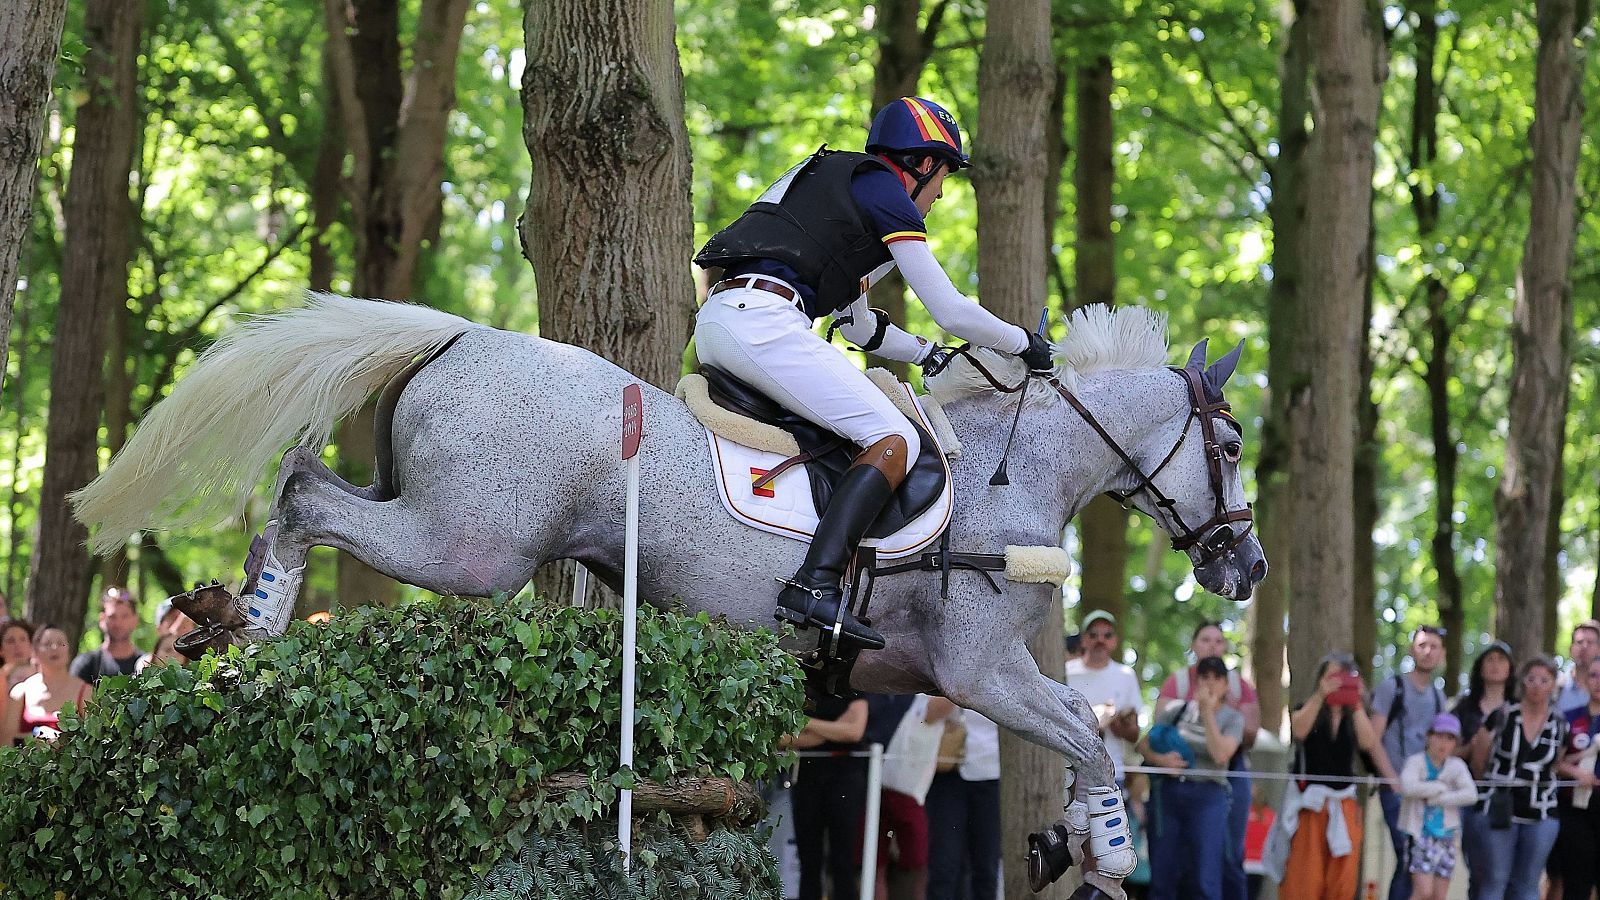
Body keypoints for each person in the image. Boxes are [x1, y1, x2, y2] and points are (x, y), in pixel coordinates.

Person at [692, 97, 1052, 653]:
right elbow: (953, 310)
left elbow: (858, 327)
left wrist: (928, 354)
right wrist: (1024, 343)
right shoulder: (886, 192)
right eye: (942, 181)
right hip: (763, 323)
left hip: (730, 317)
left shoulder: (846, 198)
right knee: (895, 438)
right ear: (921, 163)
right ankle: (814, 584)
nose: (937, 198)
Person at [1266, 653, 1395, 900]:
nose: (1336, 682)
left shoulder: (1353, 716)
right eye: (1331, 676)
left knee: (1342, 880)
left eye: (1342, 677)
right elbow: (1299, 730)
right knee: (1305, 879)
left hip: (1343, 804)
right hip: (1309, 805)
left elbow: (1369, 743)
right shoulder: (1308, 706)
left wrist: (1355, 702)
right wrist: (1321, 695)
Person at [1156, 621, 1261, 900]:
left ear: (1225, 646)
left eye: (1217, 640)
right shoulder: (1176, 682)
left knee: (1229, 856)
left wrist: (1218, 715)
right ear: (1193, 645)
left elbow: (1251, 734)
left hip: (1228, 774)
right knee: (1177, 861)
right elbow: (1157, 729)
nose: (1212, 645)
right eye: (1205, 639)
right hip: (1179, 777)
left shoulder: (1241, 687)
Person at [1139, 655, 1243, 900]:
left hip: (1209, 797)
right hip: (1170, 794)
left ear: (1226, 684)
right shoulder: (1176, 710)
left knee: (1204, 876)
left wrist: (1207, 713)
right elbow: (1143, 743)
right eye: (1205, 676)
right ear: (1196, 682)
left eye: (1217, 678)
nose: (1210, 683)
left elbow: (1221, 754)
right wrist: (1161, 760)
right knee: (1164, 871)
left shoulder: (1233, 719)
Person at [1468, 656, 1568, 900]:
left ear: (1553, 684)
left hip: (1541, 811)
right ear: (1522, 681)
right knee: (1495, 880)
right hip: (1501, 807)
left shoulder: (1559, 723)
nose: (1536, 685)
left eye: (1544, 680)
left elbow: (1556, 762)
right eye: (1531, 678)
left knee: (1527, 883)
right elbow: (1478, 761)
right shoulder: (1502, 715)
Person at [1370, 625, 1447, 900]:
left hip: (1425, 793)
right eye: (1422, 645)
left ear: (1442, 654)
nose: (1428, 652)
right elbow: (1372, 738)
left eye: (1434, 646)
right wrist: (1392, 781)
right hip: (1396, 789)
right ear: (1412, 650)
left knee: (1418, 864)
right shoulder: (1393, 687)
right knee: (1408, 857)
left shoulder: (1438, 696)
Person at [1449, 640, 1516, 899]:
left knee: (1499, 873)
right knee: (1477, 869)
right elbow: (1444, 752)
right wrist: (1472, 748)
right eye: (1490, 659)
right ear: (1479, 668)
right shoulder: (1463, 708)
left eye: (1501, 659)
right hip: (1469, 797)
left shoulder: (1520, 708)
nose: (1495, 665)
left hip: (1505, 799)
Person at [789, 693, 869, 900]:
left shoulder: (849, 685)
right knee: (809, 859)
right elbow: (784, 738)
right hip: (808, 776)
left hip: (845, 777)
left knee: (843, 858)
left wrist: (807, 723)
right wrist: (834, 728)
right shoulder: (801, 685)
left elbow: (853, 732)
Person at [1397, 713, 1478, 900]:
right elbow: (1407, 786)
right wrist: (1437, 788)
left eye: (1450, 738)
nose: (1443, 743)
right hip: (1420, 834)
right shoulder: (1415, 762)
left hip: (1447, 836)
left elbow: (1471, 794)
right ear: (1429, 737)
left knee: (1438, 895)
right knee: (1423, 891)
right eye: (1439, 736)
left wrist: (1440, 798)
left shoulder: (1456, 766)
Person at [926, 709, 1001, 900]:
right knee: (944, 865)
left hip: (990, 773)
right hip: (948, 771)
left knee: (986, 867)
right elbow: (926, 712)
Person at [1065, 609, 1143, 788]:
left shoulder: (1125, 675)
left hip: (1112, 771)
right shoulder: (1066, 672)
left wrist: (1118, 723)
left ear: (1114, 640)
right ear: (1084, 639)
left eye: (1107, 635)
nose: (1100, 640)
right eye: (1093, 635)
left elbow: (1134, 734)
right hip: (1071, 771)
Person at [1553, 658, 1600, 900]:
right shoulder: (1569, 717)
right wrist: (1576, 772)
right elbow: (1554, 761)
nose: (1598, 681)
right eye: (1593, 675)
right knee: (1576, 882)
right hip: (1575, 808)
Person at [2, 625, 93, 744]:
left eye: (61, 643)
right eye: (47, 644)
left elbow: (93, 739)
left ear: (69, 651)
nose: (55, 648)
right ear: (34, 652)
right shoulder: (20, 691)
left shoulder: (85, 691)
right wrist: (37, 733)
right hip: (29, 761)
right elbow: (6, 741)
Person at [70, 586, 145, 683]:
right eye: (112, 617)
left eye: (125, 616)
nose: (118, 623)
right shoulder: (85, 664)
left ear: (135, 620)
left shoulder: (145, 664)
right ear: (102, 619)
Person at [1555, 620, 1600, 712]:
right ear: (1571, 649)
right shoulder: (1556, 685)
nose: (1584, 647)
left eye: (1590, 642)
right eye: (1579, 642)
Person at [1, 615, 36, 689]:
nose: (18, 645)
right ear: (1, 650)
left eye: (23, 639)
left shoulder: (43, 679)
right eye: (10, 641)